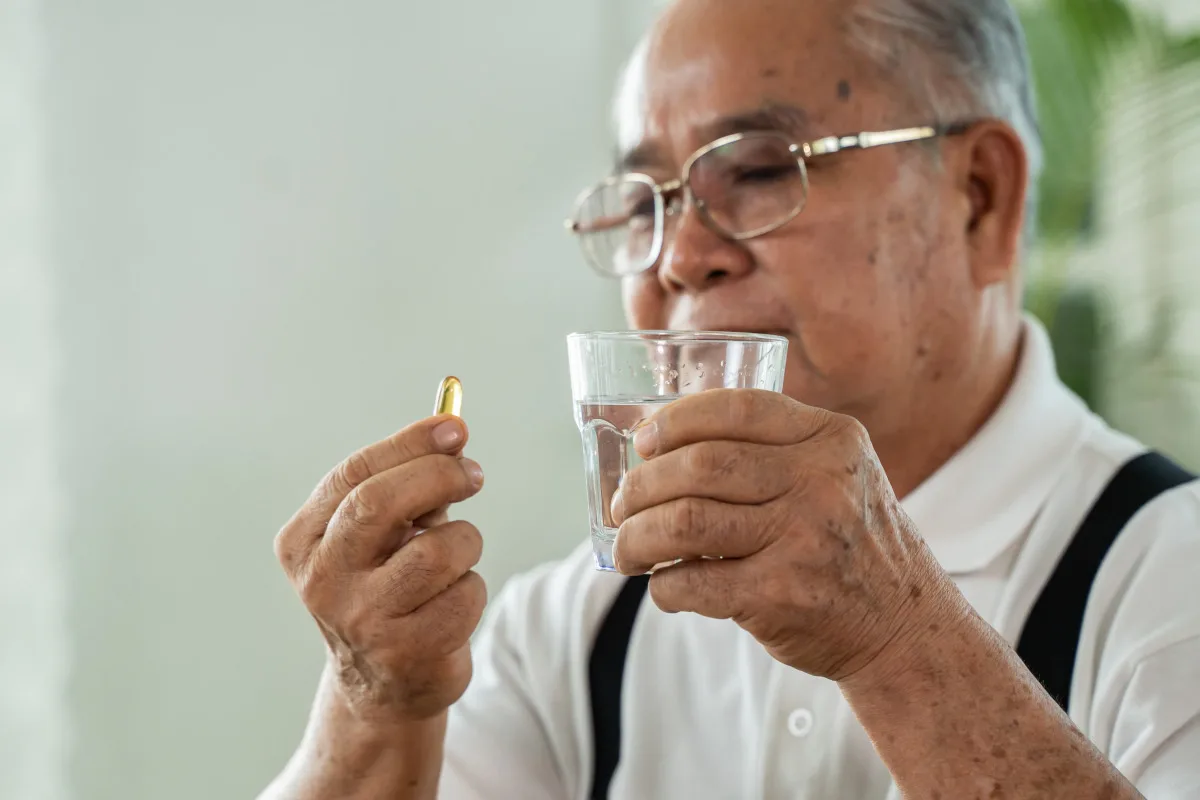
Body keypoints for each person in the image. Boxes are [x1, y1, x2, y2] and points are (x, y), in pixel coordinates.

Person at [262, 0, 1200, 797]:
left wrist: (897, 635)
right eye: (644, 204)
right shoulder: (571, 633)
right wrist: (375, 699)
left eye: (755, 171)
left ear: (980, 199)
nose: (676, 256)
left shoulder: (1167, 578)